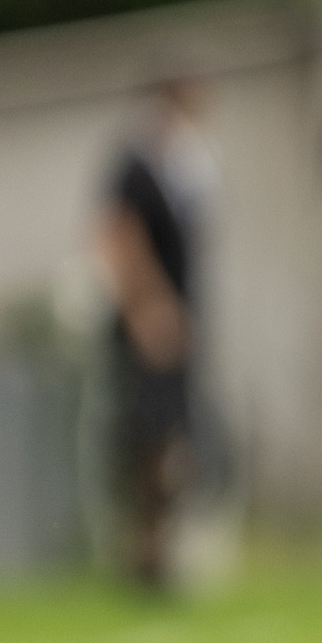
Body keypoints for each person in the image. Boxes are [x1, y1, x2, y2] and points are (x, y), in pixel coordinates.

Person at [97, 80, 217, 592]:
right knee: (147, 437)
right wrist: (149, 308)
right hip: (149, 327)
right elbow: (115, 233)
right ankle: (143, 552)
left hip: (180, 322)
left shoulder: (183, 167)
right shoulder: (135, 163)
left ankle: (161, 551)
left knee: (174, 436)